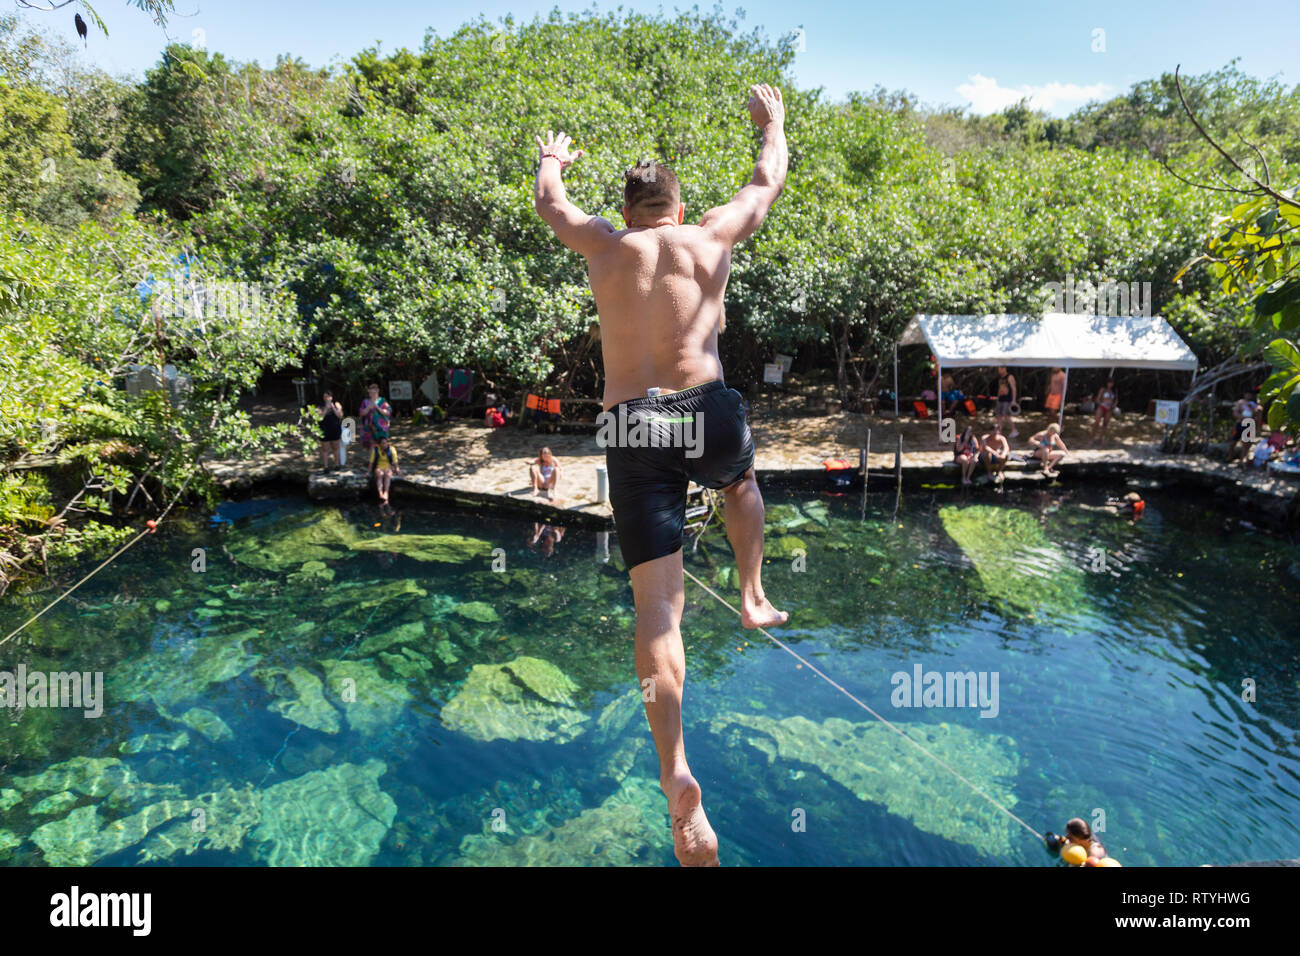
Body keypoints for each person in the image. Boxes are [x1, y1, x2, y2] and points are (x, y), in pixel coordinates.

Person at [534, 83, 789, 867]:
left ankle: (675, 769)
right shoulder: (710, 237)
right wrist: (772, 123)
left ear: (630, 207)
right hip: (703, 407)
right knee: (741, 485)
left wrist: (553, 159)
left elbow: (552, 205)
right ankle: (752, 597)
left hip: (631, 423)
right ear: (677, 207)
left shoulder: (604, 247)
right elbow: (767, 179)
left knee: (658, 611)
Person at [1227, 389, 1259, 463]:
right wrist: (1242, 417)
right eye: (1247, 394)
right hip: (1240, 424)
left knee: (1246, 443)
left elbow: (1257, 415)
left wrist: (1253, 409)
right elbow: (1235, 413)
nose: (1248, 396)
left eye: (1250, 394)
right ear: (1244, 394)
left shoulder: (1254, 404)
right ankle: (1230, 457)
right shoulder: (1240, 402)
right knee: (1233, 442)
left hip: (1249, 425)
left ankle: (1242, 460)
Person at [368, 435, 400, 506]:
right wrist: (368, 471)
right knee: (380, 475)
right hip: (379, 466)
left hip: (388, 466)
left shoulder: (391, 449)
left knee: (387, 475)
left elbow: (395, 460)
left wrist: (397, 468)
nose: (384, 445)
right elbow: (371, 461)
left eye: (385, 443)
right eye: (383, 443)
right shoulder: (376, 449)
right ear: (379, 444)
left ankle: (386, 492)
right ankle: (380, 493)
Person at [359, 384, 391, 451]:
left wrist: (378, 408)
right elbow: (361, 413)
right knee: (371, 445)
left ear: (378, 392)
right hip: (368, 427)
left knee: (382, 445)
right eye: (371, 393)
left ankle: (381, 461)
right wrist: (368, 408)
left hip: (381, 428)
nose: (372, 394)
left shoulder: (382, 401)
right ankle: (372, 461)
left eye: (374, 392)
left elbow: (388, 412)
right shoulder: (365, 402)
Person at [317, 390, 343, 472]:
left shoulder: (336, 404)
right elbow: (319, 418)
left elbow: (340, 416)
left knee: (336, 447)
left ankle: (337, 465)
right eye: (325, 396)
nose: (327, 398)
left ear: (331, 397)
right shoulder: (320, 406)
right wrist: (326, 409)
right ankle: (326, 467)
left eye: (328, 396)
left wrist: (333, 408)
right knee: (325, 449)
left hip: (335, 429)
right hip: (324, 429)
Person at [1090, 379, 1117, 444]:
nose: (1110, 384)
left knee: (1105, 423)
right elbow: (1097, 399)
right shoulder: (1103, 389)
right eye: (1109, 382)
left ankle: (1101, 438)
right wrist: (1102, 403)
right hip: (1102, 406)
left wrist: (1113, 405)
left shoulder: (1114, 391)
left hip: (1109, 408)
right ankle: (1091, 438)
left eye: (1112, 383)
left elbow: (1116, 400)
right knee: (1097, 422)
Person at [994, 365, 1017, 439]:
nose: (998, 371)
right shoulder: (1000, 378)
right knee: (998, 415)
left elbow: (1014, 388)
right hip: (1000, 399)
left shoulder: (1010, 377)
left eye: (1000, 369)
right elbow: (999, 388)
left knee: (1006, 415)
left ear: (1004, 368)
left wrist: (1013, 400)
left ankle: (1014, 430)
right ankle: (999, 431)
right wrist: (998, 398)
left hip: (1007, 399)